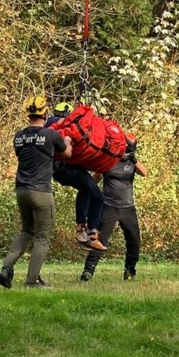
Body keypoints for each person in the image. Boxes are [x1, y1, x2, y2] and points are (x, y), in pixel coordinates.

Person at [0, 96, 72, 289]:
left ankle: (6, 268)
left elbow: (21, 154)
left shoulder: (19, 136)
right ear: (45, 113)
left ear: (28, 114)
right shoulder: (50, 135)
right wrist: (68, 141)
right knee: (42, 237)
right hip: (41, 192)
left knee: (27, 231)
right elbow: (66, 154)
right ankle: (32, 281)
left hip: (21, 190)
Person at [80, 139, 146, 281]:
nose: (126, 154)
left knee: (134, 240)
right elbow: (94, 180)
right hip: (108, 206)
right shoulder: (108, 162)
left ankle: (129, 272)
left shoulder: (132, 162)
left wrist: (134, 159)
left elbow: (145, 172)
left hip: (128, 208)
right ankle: (88, 271)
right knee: (100, 240)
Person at [45, 102, 107, 252]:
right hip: (64, 168)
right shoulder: (53, 122)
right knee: (95, 194)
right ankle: (85, 232)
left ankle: (89, 234)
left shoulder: (58, 124)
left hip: (66, 169)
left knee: (90, 192)